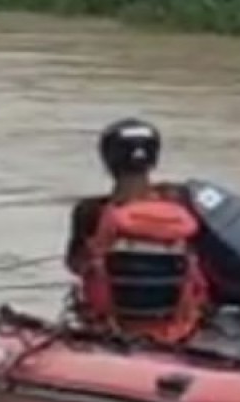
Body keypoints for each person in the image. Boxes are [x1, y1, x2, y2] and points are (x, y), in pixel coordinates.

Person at [64, 118, 210, 345]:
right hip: (178, 329)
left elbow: (75, 265)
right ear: (153, 160)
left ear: (107, 161)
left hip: (108, 327)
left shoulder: (89, 211)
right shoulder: (181, 201)